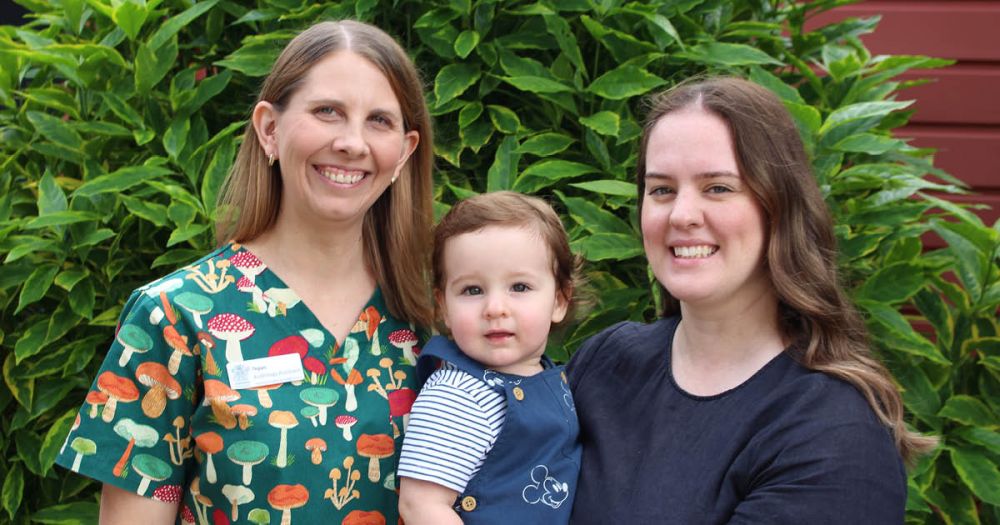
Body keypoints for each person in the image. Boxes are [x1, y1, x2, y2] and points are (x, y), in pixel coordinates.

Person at [55, 20, 435, 524]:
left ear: (404, 153)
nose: (352, 142)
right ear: (269, 129)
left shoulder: (434, 320)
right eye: (328, 112)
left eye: (379, 121)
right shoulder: (174, 316)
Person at [567, 77, 937, 524]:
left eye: (718, 188)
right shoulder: (607, 363)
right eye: (661, 189)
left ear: (779, 206)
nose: (682, 215)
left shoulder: (833, 434)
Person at [397, 191, 583, 524]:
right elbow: (421, 506)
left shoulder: (553, 379)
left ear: (559, 300)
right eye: (472, 290)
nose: (495, 308)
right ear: (444, 307)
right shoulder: (459, 394)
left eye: (520, 287)